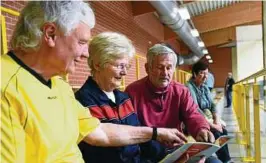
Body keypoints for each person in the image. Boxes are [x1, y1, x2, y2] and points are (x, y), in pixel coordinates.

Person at [1, 2, 186, 163]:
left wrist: (156, 134)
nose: (86, 53)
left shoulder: (60, 86)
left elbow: (100, 132)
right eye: (82, 42)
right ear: (50, 34)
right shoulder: (6, 87)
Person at [75, 32, 180, 162]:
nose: (124, 72)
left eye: (126, 66)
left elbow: (139, 136)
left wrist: (169, 154)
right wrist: (155, 134)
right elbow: (108, 149)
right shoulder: (83, 101)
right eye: (119, 66)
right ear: (97, 65)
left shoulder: (123, 98)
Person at [125, 44, 220, 163]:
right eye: (160, 67)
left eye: (169, 67)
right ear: (147, 68)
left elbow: (192, 114)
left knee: (213, 162)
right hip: (145, 153)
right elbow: (130, 129)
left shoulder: (181, 91)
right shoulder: (132, 92)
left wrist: (201, 128)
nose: (165, 73)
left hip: (175, 150)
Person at [186, 61, 232, 163]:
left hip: (208, 117)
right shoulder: (189, 87)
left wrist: (217, 120)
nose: (205, 76)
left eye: (207, 73)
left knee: (223, 131)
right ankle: (225, 160)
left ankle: (226, 160)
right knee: (217, 132)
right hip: (196, 120)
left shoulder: (204, 87)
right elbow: (195, 109)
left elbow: (212, 105)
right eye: (202, 73)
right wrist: (212, 125)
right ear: (194, 74)